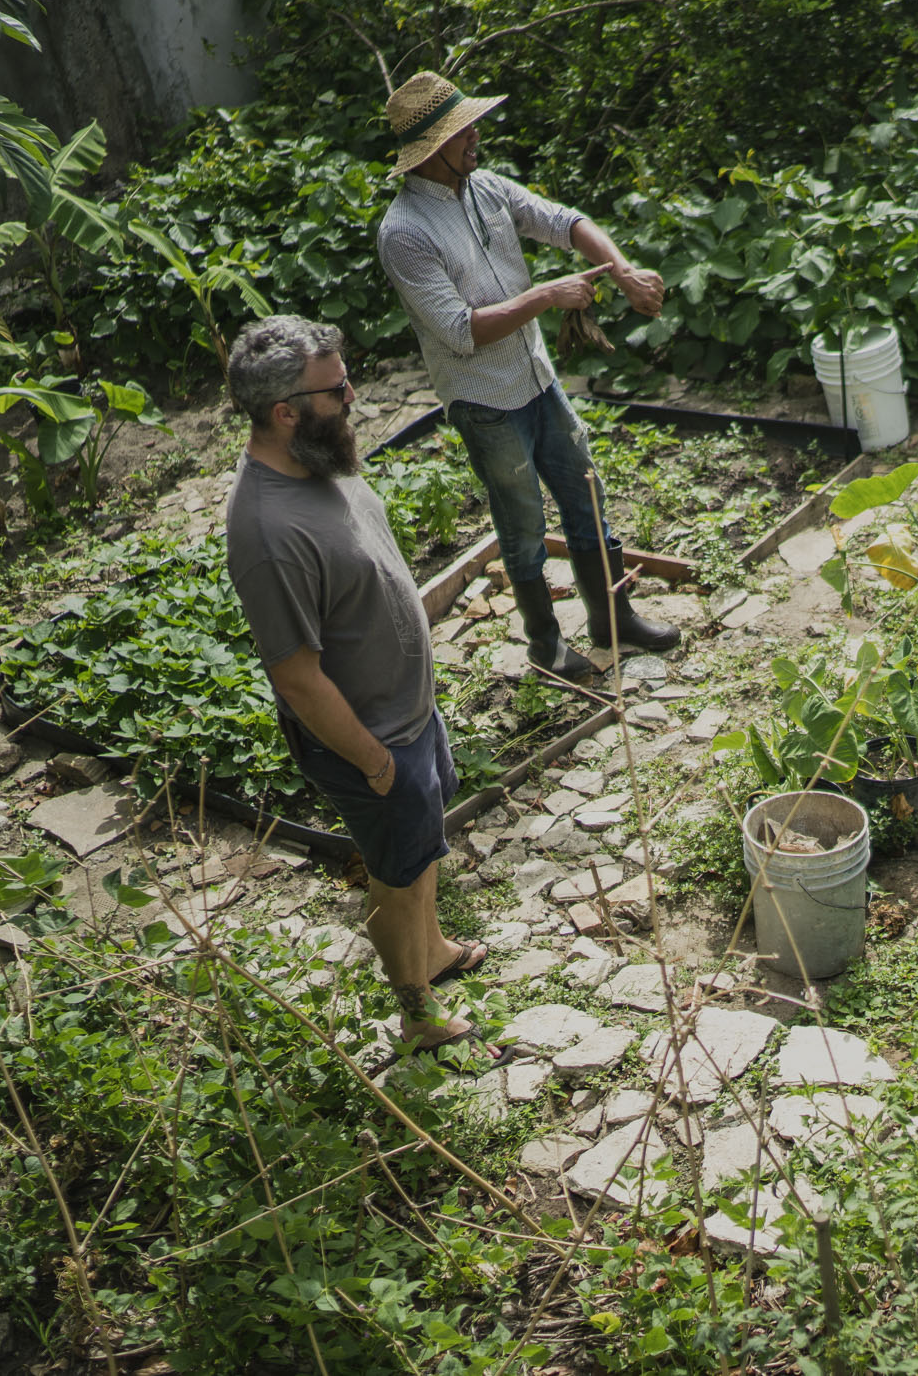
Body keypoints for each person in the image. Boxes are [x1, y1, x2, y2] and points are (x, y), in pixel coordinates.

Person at [222, 315, 487, 1065]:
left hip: (408, 713)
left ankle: (431, 949)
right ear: (286, 412)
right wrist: (375, 764)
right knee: (396, 874)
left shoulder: (321, 456)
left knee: (421, 845)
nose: (353, 397)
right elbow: (298, 679)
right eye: (337, 389)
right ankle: (418, 1012)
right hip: (371, 739)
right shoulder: (269, 531)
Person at [374, 69, 680, 682]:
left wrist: (620, 270)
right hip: (485, 400)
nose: (476, 138)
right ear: (430, 148)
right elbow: (461, 329)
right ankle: (545, 645)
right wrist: (546, 296)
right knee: (522, 523)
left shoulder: (484, 187)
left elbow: (565, 221)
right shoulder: (403, 233)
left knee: (584, 491)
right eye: (463, 133)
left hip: (536, 379)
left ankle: (612, 620)